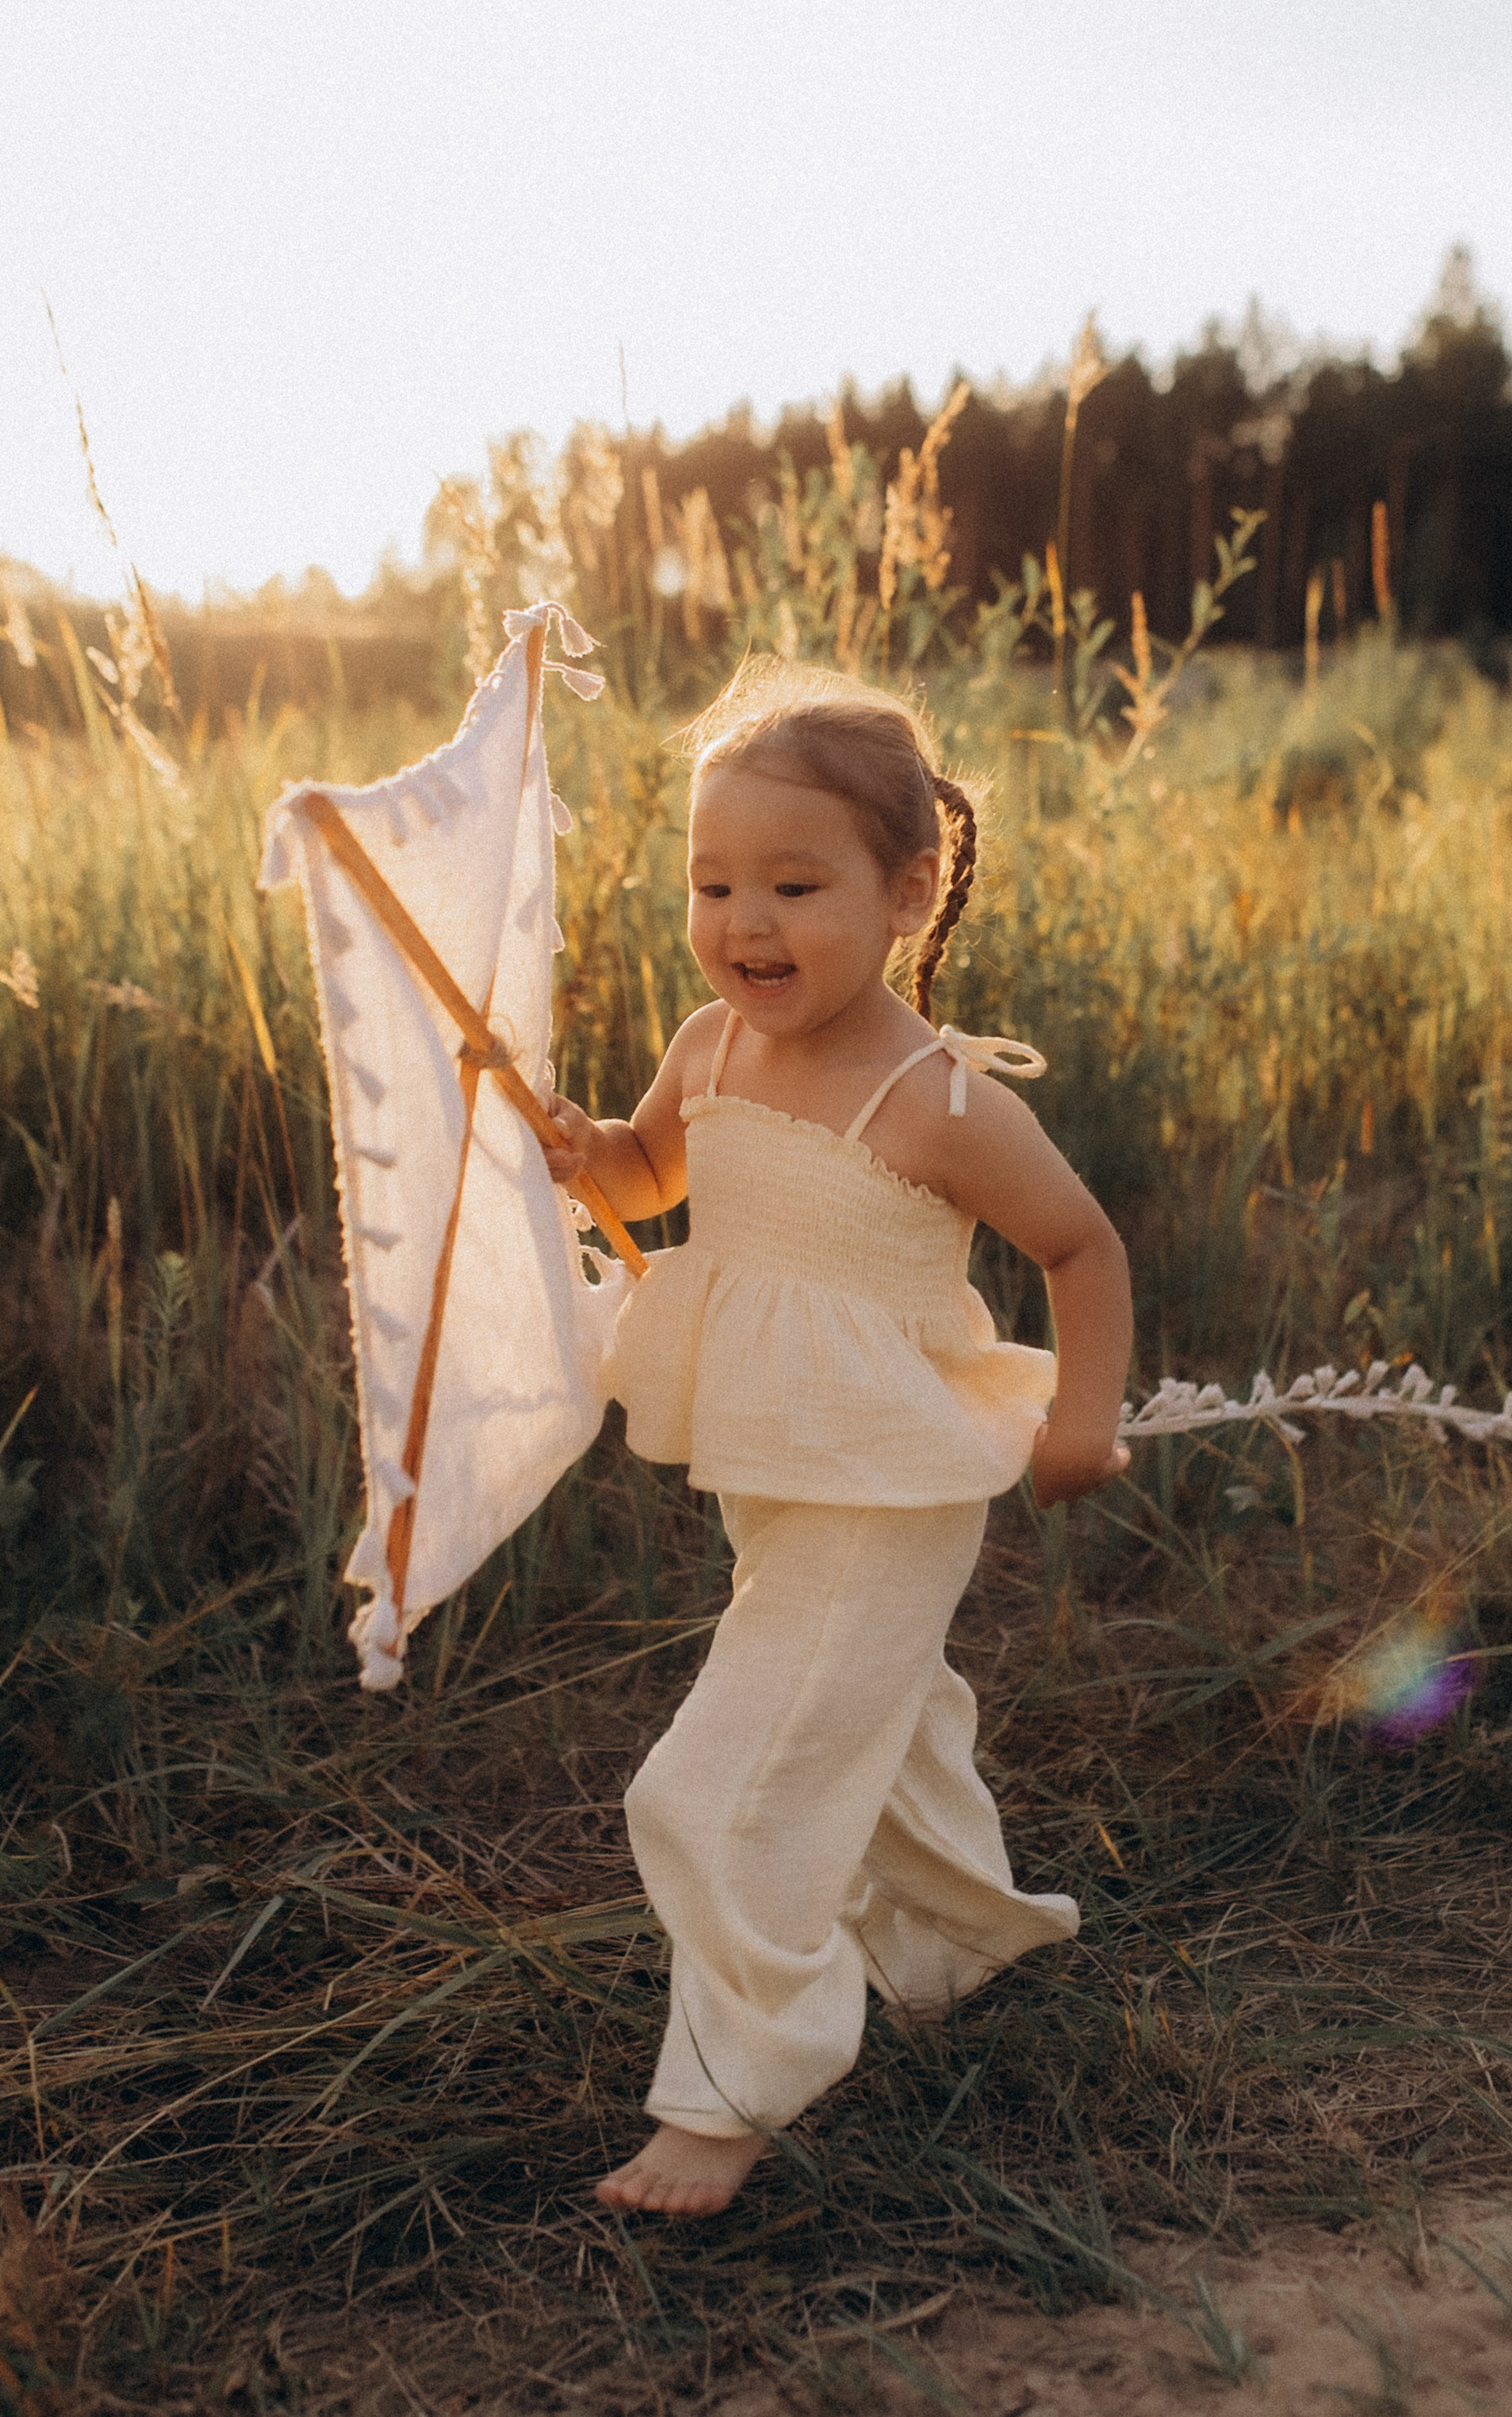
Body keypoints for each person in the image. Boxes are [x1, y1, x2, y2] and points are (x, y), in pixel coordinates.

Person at [539, 660, 1133, 2217]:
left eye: (795, 885)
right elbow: (647, 1183)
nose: (746, 922)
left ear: (906, 889)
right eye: (712, 882)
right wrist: (579, 1153)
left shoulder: (933, 1100)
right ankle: (968, 1940)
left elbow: (1079, 1248)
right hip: (778, 1471)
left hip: (889, 1483)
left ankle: (733, 2091)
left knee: (721, 1786)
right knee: (877, 1723)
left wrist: (1080, 1417)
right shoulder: (710, 1046)